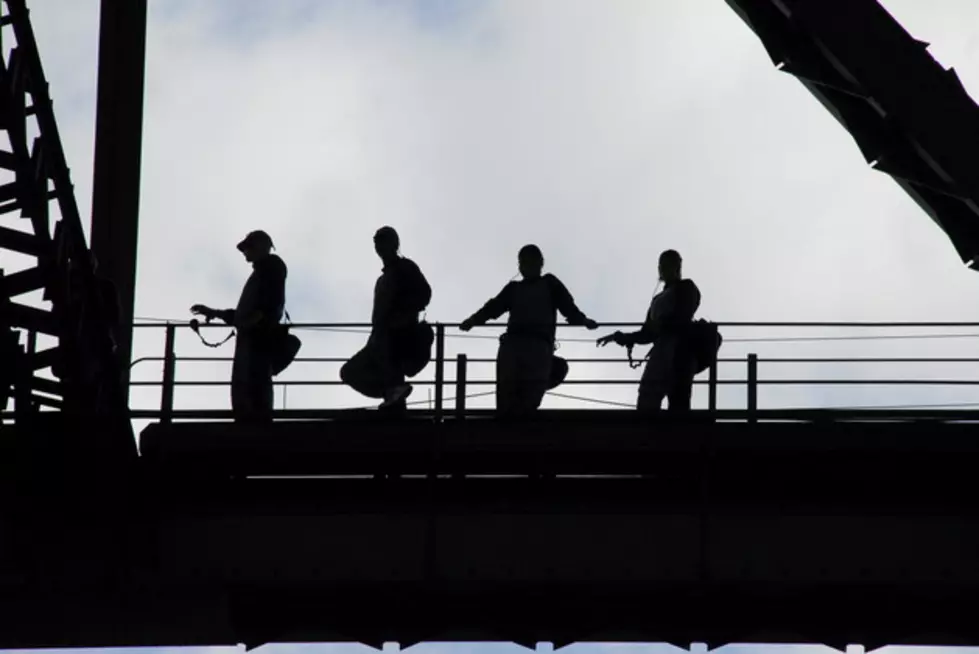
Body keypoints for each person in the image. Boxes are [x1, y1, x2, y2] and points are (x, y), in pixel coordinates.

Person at [460, 244, 598, 417]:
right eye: (523, 262)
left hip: (531, 348)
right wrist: (473, 320)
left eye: (529, 261)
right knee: (511, 400)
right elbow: (493, 308)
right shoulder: (515, 288)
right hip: (520, 348)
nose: (525, 266)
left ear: (540, 263)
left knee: (526, 399)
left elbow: (567, 306)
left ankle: (515, 429)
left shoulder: (548, 283)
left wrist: (583, 320)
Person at [191, 230, 287, 424]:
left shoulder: (271, 267)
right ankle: (253, 425)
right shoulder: (263, 272)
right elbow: (246, 314)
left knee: (252, 388)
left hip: (257, 341)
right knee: (247, 389)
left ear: (261, 246)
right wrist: (215, 313)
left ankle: (256, 429)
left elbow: (267, 304)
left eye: (248, 247)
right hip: (251, 340)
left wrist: (257, 319)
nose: (245, 252)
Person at [597, 249, 700, 414]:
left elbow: (683, 315)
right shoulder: (658, 299)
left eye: (667, 265)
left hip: (680, 350)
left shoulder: (687, 287)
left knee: (678, 401)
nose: (662, 270)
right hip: (661, 351)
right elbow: (647, 333)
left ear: (677, 267)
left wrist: (662, 324)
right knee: (648, 397)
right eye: (661, 266)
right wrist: (620, 337)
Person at [341, 226, 431, 411]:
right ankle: (391, 394)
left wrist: (403, 314)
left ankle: (394, 400)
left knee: (391, 374)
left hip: (398, 337)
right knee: (349, 372)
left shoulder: (406, 267)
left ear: (394, 243)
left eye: (383, 241)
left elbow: (424, 294)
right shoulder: (384, 279)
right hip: (380, 338)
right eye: (377, 242)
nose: (379, 246)